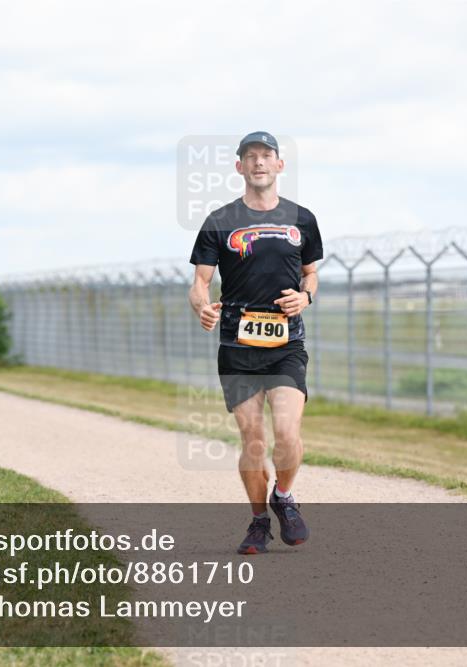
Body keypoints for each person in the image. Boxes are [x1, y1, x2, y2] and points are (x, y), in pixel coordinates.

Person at [188, 132, 323, 554]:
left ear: (279, 165)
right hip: (238, 346)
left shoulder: (302, 219)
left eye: (266, 155)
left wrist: (305, 297)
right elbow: (200, 282)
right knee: (254, 441)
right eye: (250, 156)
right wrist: (203, 307)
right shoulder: (220, 220)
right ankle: (259, 521)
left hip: (286, 344)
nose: (259, 162)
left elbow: (311, 273)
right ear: (240, 167)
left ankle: (283, 495)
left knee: (286, 432)